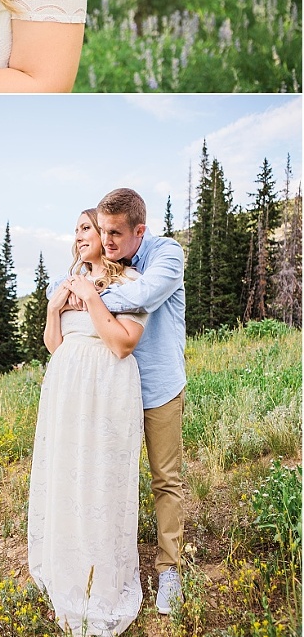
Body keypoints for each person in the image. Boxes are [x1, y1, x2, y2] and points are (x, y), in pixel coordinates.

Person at [28, 208, 147, 637]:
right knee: (67, 473)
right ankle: (69, 563)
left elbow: (122, 346)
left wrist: (91, 295)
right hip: (66, 387)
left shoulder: (130, 283)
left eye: (86, 228)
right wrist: (53, 308)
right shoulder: (67, 282)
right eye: (76, 229)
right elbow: (55, 346)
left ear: (105, 235)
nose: (79, 236)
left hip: (108, 386)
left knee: (101, 476)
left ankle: (102, 577)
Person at [95, 187, 186, 615]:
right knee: (113, 480)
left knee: (165, 480)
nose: (107, 241)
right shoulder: (106, 263)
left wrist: (91, 299)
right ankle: (116, 565)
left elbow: (145, 295)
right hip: (116, 391)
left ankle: (169, 569)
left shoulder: (167, 254)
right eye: (102, 231)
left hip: (159, 387)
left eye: (115, 233)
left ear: (139, 230)